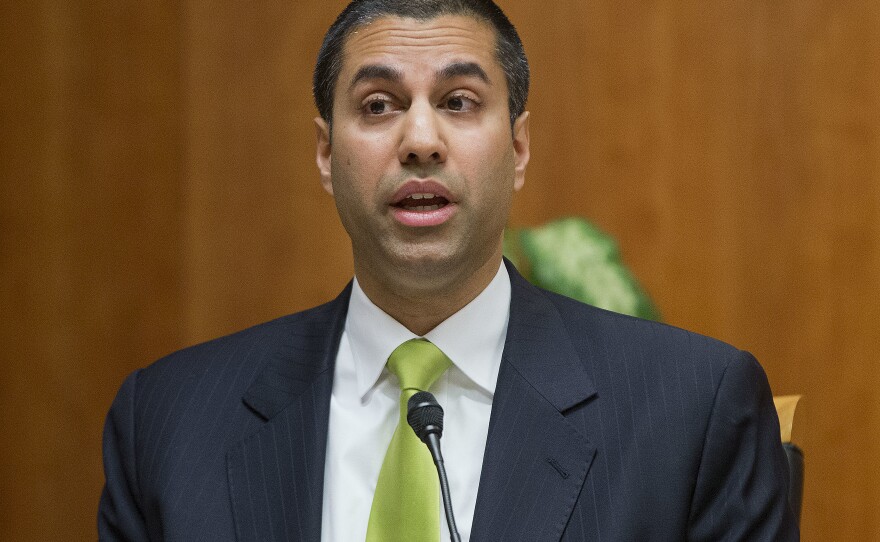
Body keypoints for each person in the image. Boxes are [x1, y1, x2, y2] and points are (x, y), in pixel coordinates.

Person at [98, 0, 799, 540]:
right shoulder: (169, 424)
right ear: (325, 154)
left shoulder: (689, 414)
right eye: (378, 105)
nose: (421, 141)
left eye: (459, 102)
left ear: (518, 148)